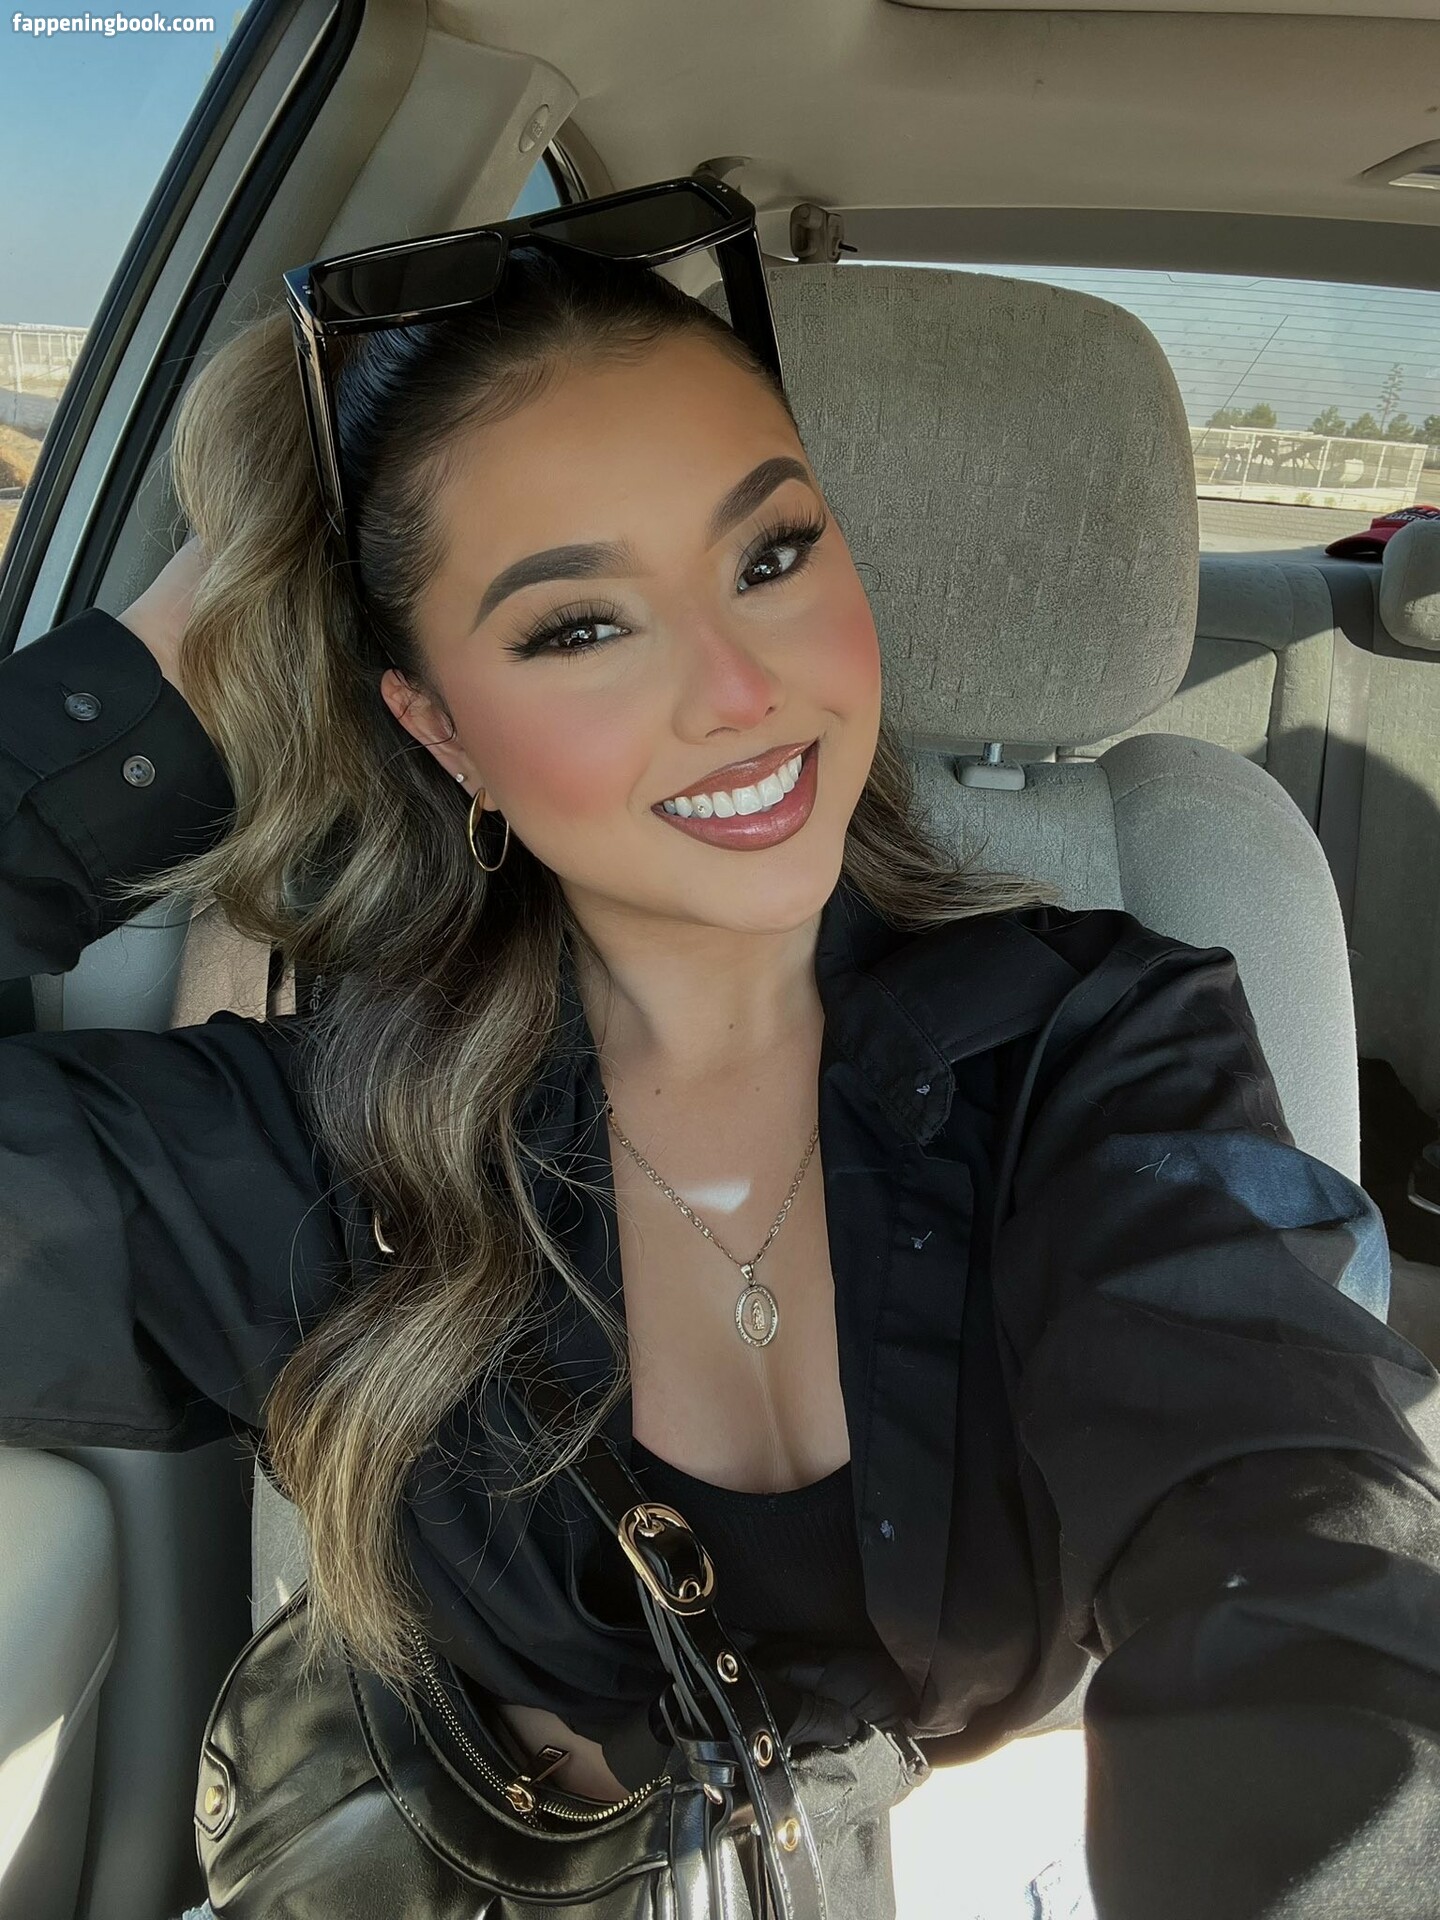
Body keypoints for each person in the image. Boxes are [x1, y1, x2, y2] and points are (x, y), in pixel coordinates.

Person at [2, 237, 1438, 1920]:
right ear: (441, 729)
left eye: (771, 554)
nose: (744, 694)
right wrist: (179, 668)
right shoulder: (319, 1150)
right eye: (580, 625)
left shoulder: (1106, 1050)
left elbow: (1295, 1530)